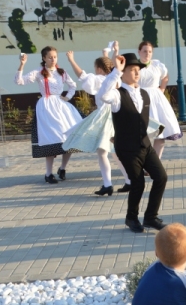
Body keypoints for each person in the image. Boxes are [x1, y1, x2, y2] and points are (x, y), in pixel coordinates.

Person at [99, 53, 167, 232]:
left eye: (138, 70)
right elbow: (102, 95)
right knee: (138, 183)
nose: (137, 73)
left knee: (161, 177)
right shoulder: (117, 95)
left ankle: (151, 217)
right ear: (123, 72)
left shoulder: (144, 93)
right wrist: (115, 71)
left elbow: (142, 120)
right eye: (132, 70)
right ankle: (131, 218)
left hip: (145, 145)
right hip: (126, 148)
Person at [62, 46, 131, 196]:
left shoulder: (99, 79)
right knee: (115, 152)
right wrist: (109, 53)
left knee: (103, 152)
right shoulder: (116, 79)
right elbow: (111, 71)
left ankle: (109, 184)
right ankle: (128, 180)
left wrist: (71, 60)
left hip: (104, 116)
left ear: (99, 69)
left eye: (96, 68)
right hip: (117, 114)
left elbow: (82, 76)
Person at [15, 47, 82, 184]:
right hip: (47, 107)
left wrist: (67, 97)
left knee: (69, 137)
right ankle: (48, 173)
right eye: (50, 57)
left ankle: (62, 168)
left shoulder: (61, 72)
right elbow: (19, 81)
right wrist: (22, 64)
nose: (53, 59)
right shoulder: (39, 73)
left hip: (61, 106)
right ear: (44, 58)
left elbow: (73, 85)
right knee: (51, 138)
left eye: (55, 57)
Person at [138, 41, 183, 160]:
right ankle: (143, 163)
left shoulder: (157, 65)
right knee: (143, 134)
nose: (147, 54)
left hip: (156, 99)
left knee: (160, 133)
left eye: (149, 51)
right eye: (144, 51)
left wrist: (161, 89)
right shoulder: (134, 66)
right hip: (139, 98)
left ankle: (155, 163)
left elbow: (165, 77)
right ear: (139, 52)